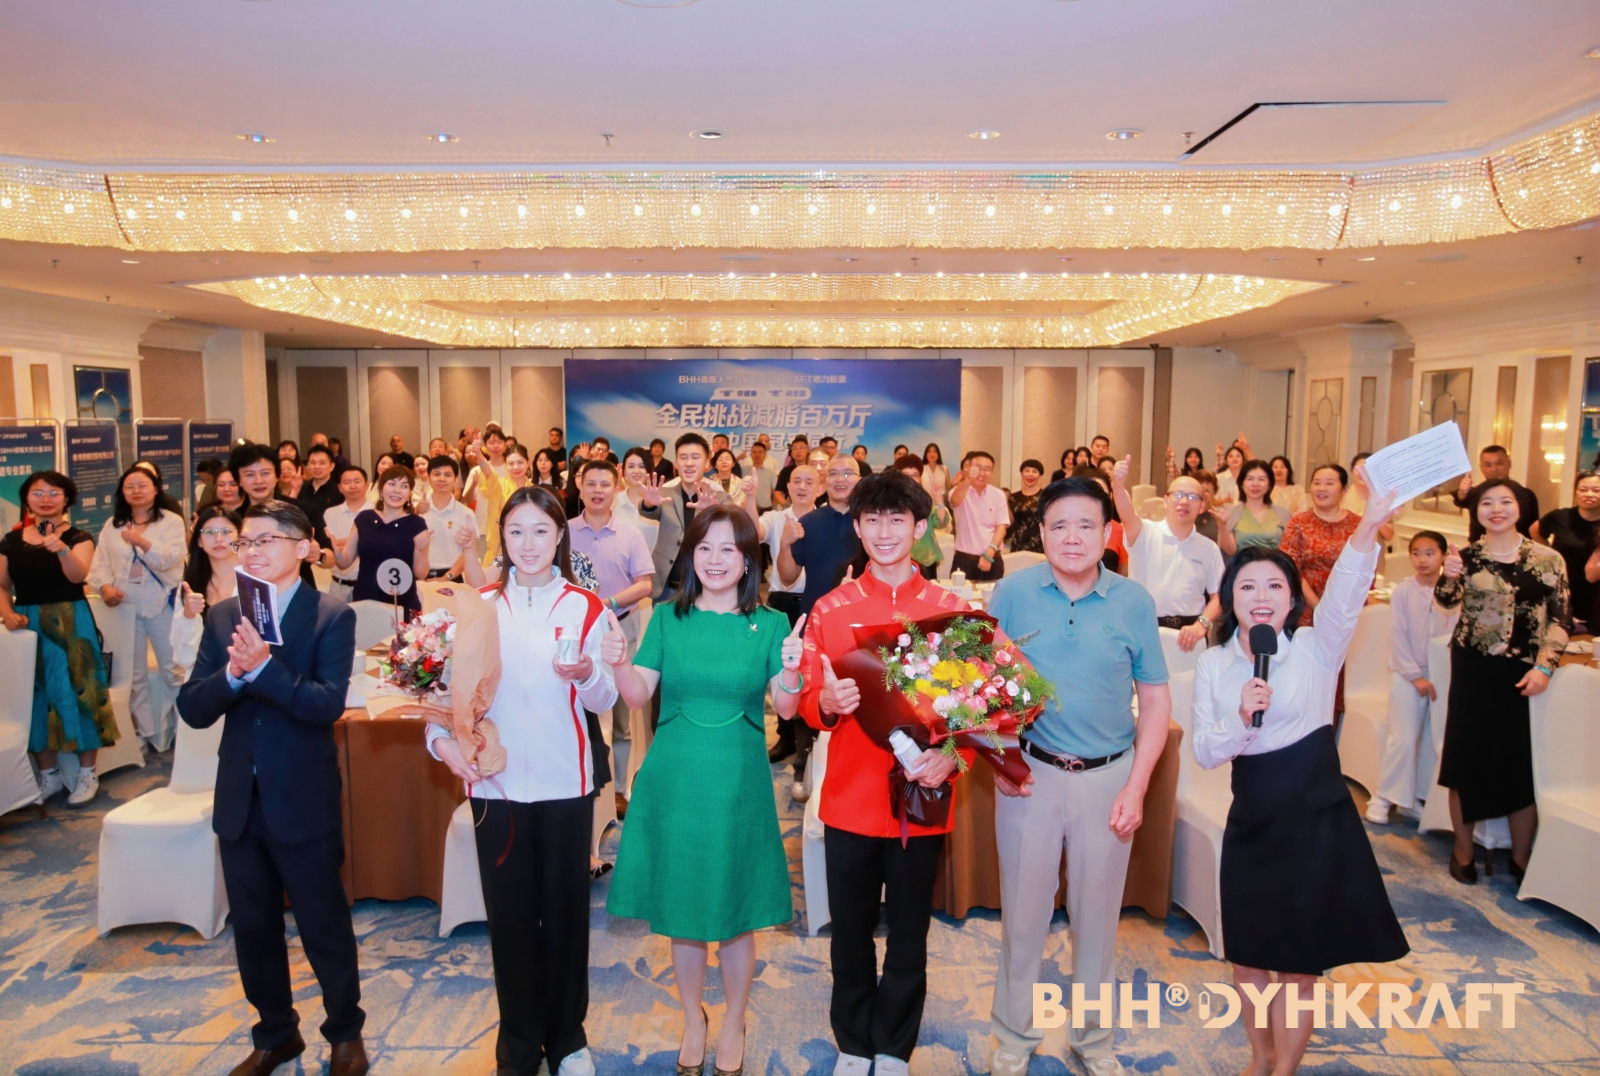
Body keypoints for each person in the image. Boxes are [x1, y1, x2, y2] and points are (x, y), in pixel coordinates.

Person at [1191, 469, 1407, 1076]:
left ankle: (1285, 1069)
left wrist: (1368, 525)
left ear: (1291, 598)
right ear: (1230, 597)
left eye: (1275, 585)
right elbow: (1205, 751)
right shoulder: (1214, 665)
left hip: (1314, 820)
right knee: (1248, 958)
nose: (1261, 595)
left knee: (1298, 965)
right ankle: (1260, 1056)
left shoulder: (1317, 647)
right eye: (1247, 585)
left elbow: (1345, 591)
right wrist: (1241, 720)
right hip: (1253, 819)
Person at [606, 503, 802, 1076]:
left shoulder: (771, 624)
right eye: (704, 548)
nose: (715, 560)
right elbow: (638, 695)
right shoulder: (668, 619)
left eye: (729, 550)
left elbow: (788, 707)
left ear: (748, 561)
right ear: (691, 556)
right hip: (675, 781)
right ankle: (694, 1018)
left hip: (738, 783)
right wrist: (618, 663)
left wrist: (793, 668)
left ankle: (734, 1018)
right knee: (685, 910)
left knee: (736, 912)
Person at [986, 476, 1171, 1076]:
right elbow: (980, 686)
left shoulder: (1133, 602)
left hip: (1108, 781)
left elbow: (1156, 701)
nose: (1072, 537)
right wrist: (1001, 758)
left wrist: (1137, 786)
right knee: (1023, 917)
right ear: (1040, 533)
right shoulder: (1012, 592)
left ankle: (1093, 1041)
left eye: (1086, 525)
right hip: (1031, 777)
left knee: (1097, 921)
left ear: (1107, 532)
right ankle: (1013, 1036)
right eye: (1059, 525)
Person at [176, 500, 368, 1076]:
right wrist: (233, 675)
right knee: (254, 926)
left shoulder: (330, 615)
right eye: (245, 542)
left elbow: (325, 705)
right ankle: (276, 1033)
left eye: (266, 540)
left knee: (323, 923)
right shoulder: (223, 615)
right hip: (240, 797)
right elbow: (193, 708)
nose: (252, 551)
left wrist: (265, 670)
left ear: (303, 548)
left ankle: (345, 1032)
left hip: (302, 795)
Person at [427, 486, 613, 1076]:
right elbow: (437, 697)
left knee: (565, 916)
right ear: (500, 538)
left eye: (540, 531)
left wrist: (587, 673)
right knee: (508, 920)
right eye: (515, 532)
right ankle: (518, 1044)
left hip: (565, 784)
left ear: (559, 536)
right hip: (495, 787)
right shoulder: (476, 607)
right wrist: (440, 744)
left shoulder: (587, 606)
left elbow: (606, 698)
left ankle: (568, 1039)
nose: (528, 544)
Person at [799, 471, 971, 1076]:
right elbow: (806, 702)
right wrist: (825, 702)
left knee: (909, 933)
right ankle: (852, 1042)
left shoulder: (952, 610)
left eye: (898, 519)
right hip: (849, 797)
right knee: (849, 933)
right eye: (872, 519)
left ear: (920, 527)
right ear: (857, 526)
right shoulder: (831, 609)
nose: (885, 531)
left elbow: (977, 711)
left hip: (920, 800)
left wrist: (954, 756)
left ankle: (895, 1045)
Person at [1436, 479, 1569, 883]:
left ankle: (1522, 858)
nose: (1496, 509)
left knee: (1519, 765)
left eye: (1505, 501)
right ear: (1476, 511)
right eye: (1487, 503)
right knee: (1464, 759)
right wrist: (1448, 575)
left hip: (1523, 674)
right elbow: (1445, 601)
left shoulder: (1548, 559)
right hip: (1473, 670)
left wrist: (1545, 667)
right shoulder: (1467, 556)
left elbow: (1561, 619)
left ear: (1520, 508)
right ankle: (1463, 851)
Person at [0, 471, 116, 807]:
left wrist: (61, 549)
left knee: (83, 690)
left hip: (71, 621)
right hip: (28, 626)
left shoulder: (79, 537)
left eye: (54, 492)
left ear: (66, 499)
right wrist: (7, 613)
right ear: (27, 499)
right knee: (35, 695)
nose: (46, 499)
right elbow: (2, 586)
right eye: (38, 492)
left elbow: (79, 577)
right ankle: (48, 775)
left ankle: (87, 773)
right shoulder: (11, 540)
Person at [568, 458, 654, 869]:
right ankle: (583, 785)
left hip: (619, 628)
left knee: (620, 717)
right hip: (573, 634)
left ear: (616, 488)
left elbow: (645, 584)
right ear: (580, 487)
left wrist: (608, 602)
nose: (598, 491)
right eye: (591, 484)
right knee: (577, 713)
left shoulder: (629, 532)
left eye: (605, 484)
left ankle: (619, 789)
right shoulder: (564, 531)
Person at [88, 464, 188, 754]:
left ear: (156, 489)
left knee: (173, 669)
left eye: (142, 485)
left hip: (162, 603)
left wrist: (141, 541)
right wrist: (104, 587)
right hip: (124, 607)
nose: (136, 491)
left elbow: (173, 558)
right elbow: (100, 562)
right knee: (133, 675)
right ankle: (147, 733)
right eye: (129, 486)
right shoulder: (113, 525)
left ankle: (184, 730)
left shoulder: (170, 521)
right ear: (122, 492)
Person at [1366, 530, 1458, 825]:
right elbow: (1398, 636)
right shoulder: (1404, 591)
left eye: (1430, 553)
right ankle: (1381, 797)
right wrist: (1414, 676)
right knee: (1403, 738)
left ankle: (1410, 799)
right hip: (1407, 673)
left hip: (1442, 673)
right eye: (1416, 553)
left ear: (1443, 556)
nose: (1422, 560)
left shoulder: (1455, 592)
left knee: (1433, 741)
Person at [1111, 457, 1223, 652]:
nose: (1184, 501)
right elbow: (1127, 515)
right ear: (1166, 500)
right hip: (1145, 628)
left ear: (1202, 506)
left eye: (1192, 497)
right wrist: (1118, 486)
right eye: (1178, 495)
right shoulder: (1145, 532)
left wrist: (1201, 625)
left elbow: (1219, 596)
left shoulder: (1209, 548)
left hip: (1190, 634)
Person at [754, 463, 820, 791]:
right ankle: (786, 737)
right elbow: (753, 532)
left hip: (816, 602)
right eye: (797, 481)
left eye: (809, 481)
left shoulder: (824, 521)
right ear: (788, 487)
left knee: (810, 671)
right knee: (780, 670)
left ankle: (809, 742)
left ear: (820, 487)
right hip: (781, 600)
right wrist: (750, 498)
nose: (803, 486)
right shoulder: (775, 517)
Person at [641, 433, 730, 604]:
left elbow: (736, 530)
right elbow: (649, 511)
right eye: (683, 458)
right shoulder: (664, 493)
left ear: (707, 463)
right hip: (666, 590)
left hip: (705, 590)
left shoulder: (719, 498)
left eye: (695, 457)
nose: (689, 463)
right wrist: (648, 504)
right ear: (676, 463)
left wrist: (713, 513)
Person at [335, 465, 430, 616]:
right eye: (391, 484)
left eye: (404, 486)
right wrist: (334, 549)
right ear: (380, 489)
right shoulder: (364, 519)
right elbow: (344, 562)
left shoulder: (417, 524)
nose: (397, 490)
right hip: (366, 599)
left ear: (410, 493)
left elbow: (421, 574)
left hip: (402, 603)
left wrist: (421, 550)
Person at [1278, 464, 1363, 627]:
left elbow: (1363, 568)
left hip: (1347, 607)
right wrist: (1318, 606)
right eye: (1316, 483)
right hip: (1306, 605)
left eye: (1329, 483)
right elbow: (1290, 568)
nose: (1321, 488)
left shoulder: (1357, 524)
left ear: (1344, 490)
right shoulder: (1298, 522)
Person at [778, 455, 862, 613]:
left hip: (861, 615)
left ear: (859, 480)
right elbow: (787, 578)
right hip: (815, 615)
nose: (839, 479)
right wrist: (785, 543)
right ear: (825, 482)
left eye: (847, 473)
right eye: (833, 473)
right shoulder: (808, 522)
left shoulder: (871, 522)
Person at [172, 505, 242, 682]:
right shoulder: (190, 586)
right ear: (199, 541)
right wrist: (188, 615)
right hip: (205, 680)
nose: (218, 539)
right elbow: (182, 656)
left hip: (248, 680)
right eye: (209, 532)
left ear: (240, 537)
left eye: (226, 531)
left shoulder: (255, 581)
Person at [1531, 468, 1599, 630]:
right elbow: (1535, 530)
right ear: (1575, 493)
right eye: (1583, 489)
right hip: (1562, 585)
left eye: (1596, 490)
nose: (1589, 494)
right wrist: (1550, 554)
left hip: (1594, 591)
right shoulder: (1561, 517)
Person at [1451, 445, 1540, 542]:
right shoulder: (1476, 493)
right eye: (1488, 465)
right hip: (1480, 547)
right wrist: (1463, 491)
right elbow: (1461, 500)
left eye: (1499, 463)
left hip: (1517, 547)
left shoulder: (1526, 495)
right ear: (1481, 468)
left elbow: (1533, 530)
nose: (1494, 469)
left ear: (1509, 464)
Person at [948, 451, 1010, 581]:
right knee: (960, 594)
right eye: (978, 468)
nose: (982, 473)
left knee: (993, 594)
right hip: (964, 560)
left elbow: (1001, 527)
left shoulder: (998, 495)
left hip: (992, 557)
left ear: (992, 472)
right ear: (969, 468)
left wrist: (989, 553)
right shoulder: (958, 491)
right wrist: (968, 479)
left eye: (987, 469)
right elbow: (954, 501)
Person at [417, 455, 476, 580]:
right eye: (436, 474)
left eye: (447, 475)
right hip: (421, 577)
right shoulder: (418, 511)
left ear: (455, 480)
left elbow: (468, 552)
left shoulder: (466, 513)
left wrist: (446, 578)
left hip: (454, 577)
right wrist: (415, 513)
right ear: (429, 477)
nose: (442, 479)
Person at [1218, 459, 1291, 558]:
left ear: (1269, 485)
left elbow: (1289, 550)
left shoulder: (1283, 514)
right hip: (1241, 565)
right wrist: (1222, 526)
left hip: (1275, 566)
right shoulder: (1230, 514)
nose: (1255, 484)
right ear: (1241, 484)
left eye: (1261, 479)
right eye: (1250, 479)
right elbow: (1230, 552)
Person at [321, 465, 369, 603]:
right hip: (338, 585)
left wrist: (342, 543)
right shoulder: (330, 513)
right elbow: (329, 546)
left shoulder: (377, 512)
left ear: (367, 485)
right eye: (347, 482)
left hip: (369, 585)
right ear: (340, 488)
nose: (352, 486)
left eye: (357, 481)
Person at [894, 456, 943, 579]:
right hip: (899, 560)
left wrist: (939, 502)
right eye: (906, 475)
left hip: (927, 560)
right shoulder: (890, 503)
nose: (910, 479)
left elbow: (941, 523)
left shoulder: (926, 500)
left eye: (914, 475)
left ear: (920, 478)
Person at [294, 445, 343, 547]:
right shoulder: (301, 487)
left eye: (322, 463)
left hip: (330, 543)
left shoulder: (339, 490)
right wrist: (295, 490)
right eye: (313, 463)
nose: (317, 467)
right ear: (308, 465)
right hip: (303, 541)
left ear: (332, 466)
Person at [1341, 452, 1395, 543]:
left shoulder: (1383, 498)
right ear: (1351, 471)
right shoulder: (1341, 495)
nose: (1363, 473)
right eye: (1359, 469)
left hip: (1373, 548)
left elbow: (1389, 536)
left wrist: (1377, 519)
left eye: (1368, 469)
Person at [1006, 459, 1046, 554]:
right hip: (1017, 544)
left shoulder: (1046, 496)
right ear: (1021, 473)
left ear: (1040, 475)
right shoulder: (1012, 497)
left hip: (1040, 545)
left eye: (1034, 471)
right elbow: (1009, 522)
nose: (1030, 474)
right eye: (1027, 471)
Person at [920, 442, 949, 512]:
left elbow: (948, 488)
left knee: (941, 518)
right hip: (926, 505)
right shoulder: (921, 469)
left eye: (935, 451)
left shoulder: (944, 469)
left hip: (941, 504)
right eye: (929, 452)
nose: (932, 454)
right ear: (926, 454)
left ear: (938, 454)